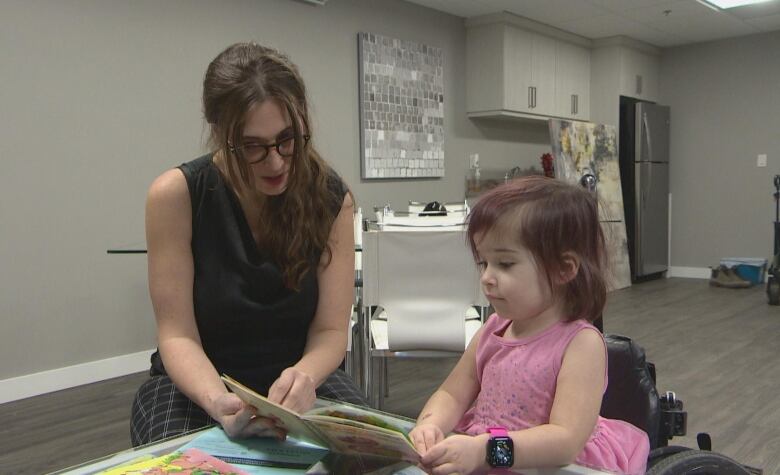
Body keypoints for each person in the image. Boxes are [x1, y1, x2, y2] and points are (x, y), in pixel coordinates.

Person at [130, 42, 366, 446]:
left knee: (375, 459)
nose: (276, 163)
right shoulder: (177, 195)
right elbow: (177, 336)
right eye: (253, 146)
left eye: (287, 140)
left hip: (299, 385)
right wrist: (217, 400)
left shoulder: (330, 198)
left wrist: (305, 375)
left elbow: (330, 330)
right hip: (196, 387)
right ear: (219, 133)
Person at [409, 176, 649, 475]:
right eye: (484, 263)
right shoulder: (493, 329)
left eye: (505, 264)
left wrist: (486, 451)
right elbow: (453, 394)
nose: (487, 277)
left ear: (564, 269)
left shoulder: (581, 344)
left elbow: (565, 441)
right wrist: (430, 424)